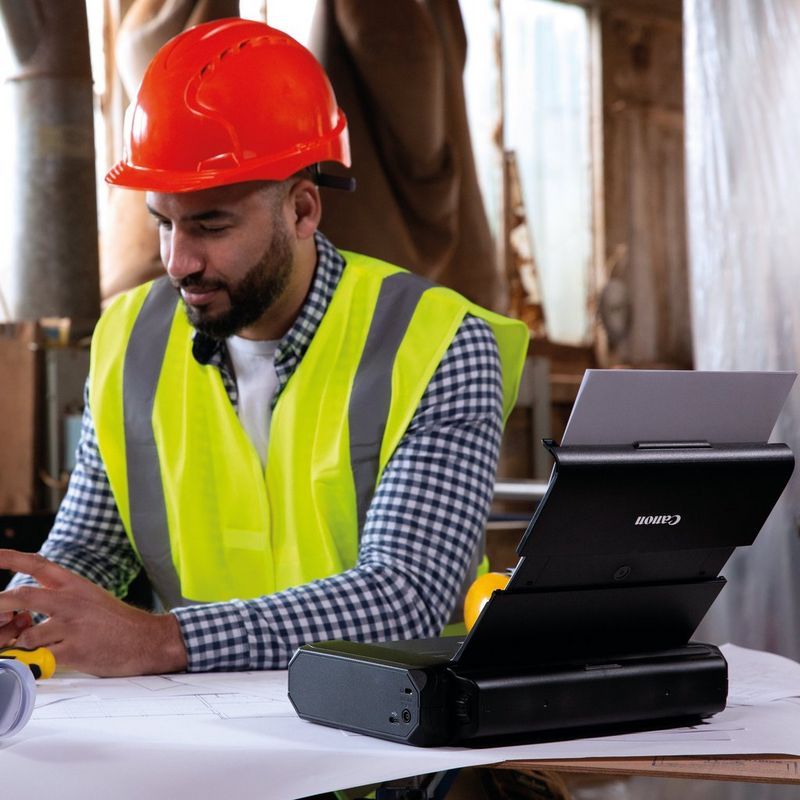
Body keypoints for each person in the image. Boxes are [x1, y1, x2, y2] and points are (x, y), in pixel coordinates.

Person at [0, 18, 528, 677]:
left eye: (210, 226)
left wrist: (166, 641)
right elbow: (87, 554)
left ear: (304, 210)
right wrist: (29, 611)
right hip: (211, 739)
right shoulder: (128, 340)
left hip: (397, 751)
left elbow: (407, 596)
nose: (177, 262)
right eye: (161, 223)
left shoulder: (438, 344)